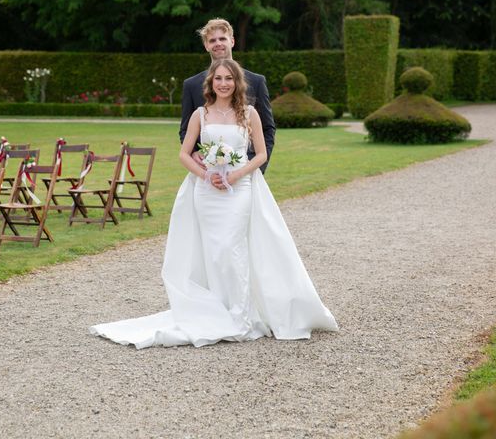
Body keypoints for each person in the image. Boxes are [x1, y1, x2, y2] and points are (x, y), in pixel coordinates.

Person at [90, 59, 338, 348]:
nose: (223, 83)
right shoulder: (201, 114)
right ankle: (217, 308)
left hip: (240, 188)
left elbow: (260, 155)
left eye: (229, 78)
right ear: (211, 83)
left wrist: (236, 174)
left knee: (231, 248)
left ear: (237, 83)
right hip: (206, 192)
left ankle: (240, 314)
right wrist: (207, 175)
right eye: (218, 78)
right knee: (213, 251)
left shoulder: (249, 113)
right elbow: (185, 154)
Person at [180, 18, 275, 174]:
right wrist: (192, 153)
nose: (218, 43)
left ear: (232, 41)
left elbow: (268, 129)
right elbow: (185, 130)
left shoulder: (256, 82)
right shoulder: (191, 85)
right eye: (212, 40)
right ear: (206, 46)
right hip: (207, 170)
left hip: (246, 170)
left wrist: (254, 168)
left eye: (222, 38)